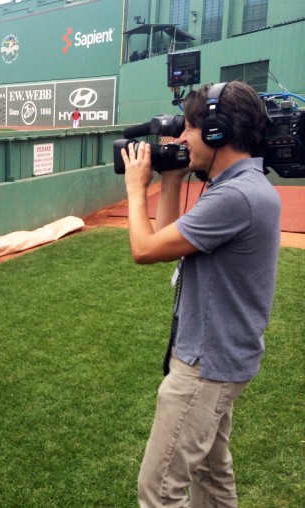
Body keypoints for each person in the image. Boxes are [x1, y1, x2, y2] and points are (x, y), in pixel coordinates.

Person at [120, 81, 281, 506]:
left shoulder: (236, 196)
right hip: (224, 357)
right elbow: (166, 240)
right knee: (212, 473)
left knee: (158, 489)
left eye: (190, 129)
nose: (182, 139)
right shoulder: (242, 186)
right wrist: (170, 180)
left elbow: (144, 249)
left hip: (206, 366)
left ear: (216, 132)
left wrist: (137, 188)